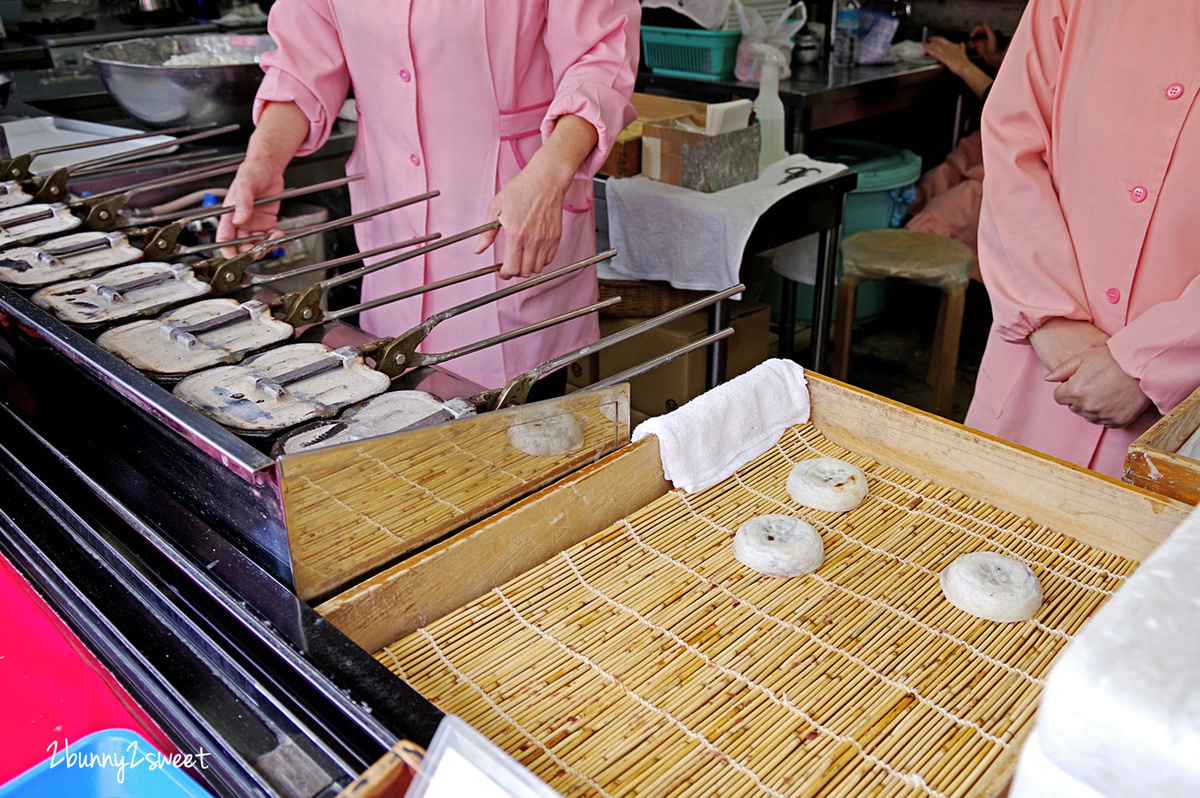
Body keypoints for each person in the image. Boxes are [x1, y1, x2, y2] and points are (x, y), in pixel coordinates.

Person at [217, 2, 641, 394]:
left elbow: (600, 56)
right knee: (399, 438)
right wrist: (265, 160)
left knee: (518, 444)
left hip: (516, 216)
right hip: (393, 240)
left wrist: (550, 173)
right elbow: (301, 63)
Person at [964, 0, 1200, 478]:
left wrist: (1151, 360)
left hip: (1177, 418)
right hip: (1040, 369)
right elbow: (1014, 143)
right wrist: (1047, 317)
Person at [903, 25, 1005, 277]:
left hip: (1021, 166)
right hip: (988, 151)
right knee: (933, 185)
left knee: (939, 225)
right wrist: (999, 60)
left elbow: (1015, 108)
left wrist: (965, 67)